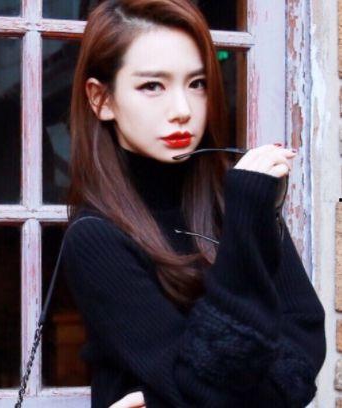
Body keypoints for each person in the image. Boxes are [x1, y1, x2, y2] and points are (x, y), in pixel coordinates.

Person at [60, 0, 326, 406]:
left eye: (197, 83)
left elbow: (304, 343)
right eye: (152, 86)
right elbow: (203, 388)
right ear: (102, 100)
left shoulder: (232, 199)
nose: (182, 111)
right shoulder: (95, 237)